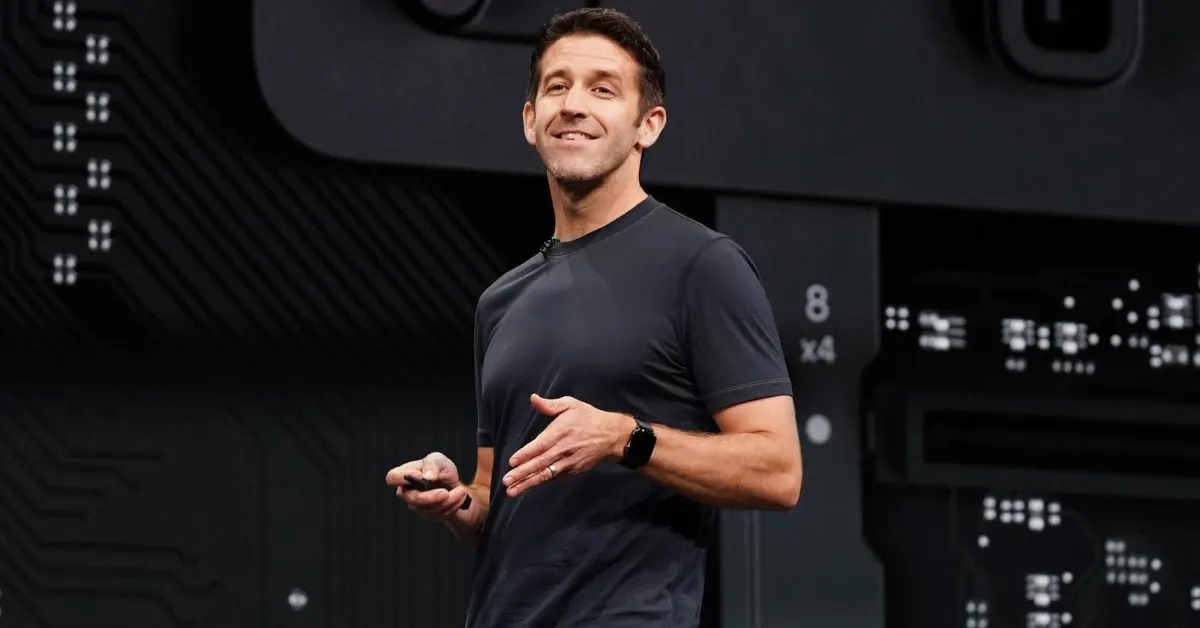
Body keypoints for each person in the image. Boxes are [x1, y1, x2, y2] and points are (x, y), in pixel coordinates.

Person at [385, 7, 803, 627]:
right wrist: (457, 500)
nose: (574, 104)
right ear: (531, 120)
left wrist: (624, 438)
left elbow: (778, 471)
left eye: (603, 89)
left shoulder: (702, 265)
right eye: (557, 86)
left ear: (647, 126)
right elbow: (496, 501)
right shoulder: (501, 301)